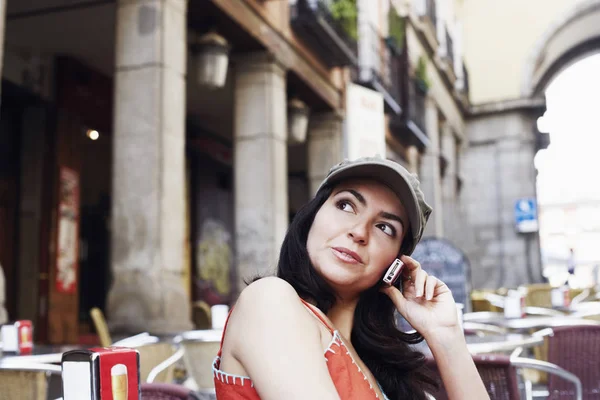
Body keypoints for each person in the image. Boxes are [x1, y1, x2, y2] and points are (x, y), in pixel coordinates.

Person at [212, 157, 488, 400]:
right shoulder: (270, 301)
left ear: (396, 264)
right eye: (345, 205)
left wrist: (446, 336)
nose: (359, 231)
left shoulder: (385, 369)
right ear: (312, 218)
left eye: (384, 227)